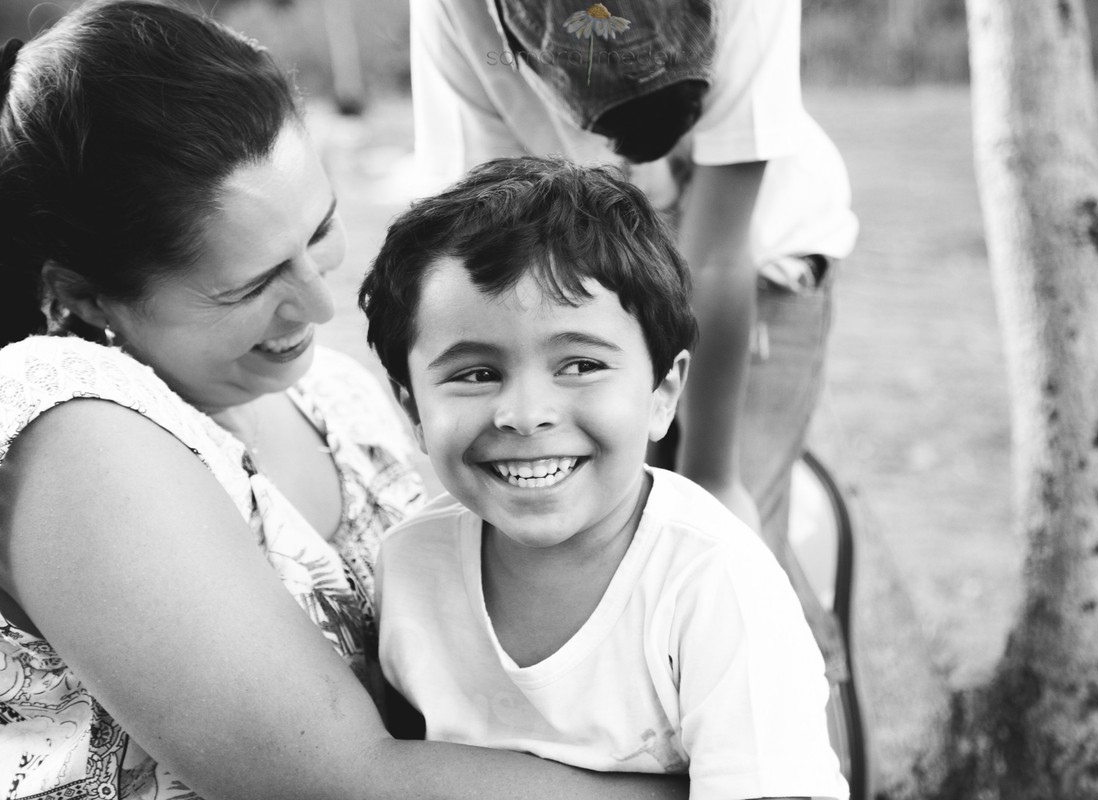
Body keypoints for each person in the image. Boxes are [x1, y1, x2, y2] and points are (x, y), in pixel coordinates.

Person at [0, 4, 686, 799]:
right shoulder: (75, 429)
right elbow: (336, 781)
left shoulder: (336, 396)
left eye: (318, 232)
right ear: (83, 298)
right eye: (251, 287)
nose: (319, 308)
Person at [360, 156, 849, 800]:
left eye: (581, 365)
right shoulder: (409, 564)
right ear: (412, 410)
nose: (527, 415)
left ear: (663, 392)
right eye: (476, 373)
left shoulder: (713, 584)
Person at [408, 0, 858, 676]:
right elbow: (483, 243)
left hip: (754, 260)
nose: (618, 153)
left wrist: (713, 475)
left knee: (733, 566)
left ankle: (812, 723)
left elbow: (715, 258)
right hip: (565, 281)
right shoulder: (456, 12)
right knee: (593, 565)